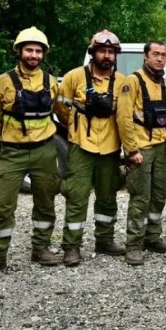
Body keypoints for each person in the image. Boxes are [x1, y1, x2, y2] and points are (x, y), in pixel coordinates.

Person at [0, 27, 61, 277]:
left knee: (46, 202)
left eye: (38, 51)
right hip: (12, 152)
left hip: (45, 149)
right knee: (3, 204)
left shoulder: (51, 82)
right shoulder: (0, 84)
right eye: (29, 49)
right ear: (19, 51)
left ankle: (41, 248)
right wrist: (9, 138)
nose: (33, 55)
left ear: (43, 54)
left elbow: (55, 111)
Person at [55, 30, 125, 266]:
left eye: (111, 52)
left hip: (110, 149)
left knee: (108, 197)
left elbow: (125, 116)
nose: (106, 56)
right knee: (77, 196)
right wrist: (75, 127)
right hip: (81, 146)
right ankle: (71, 247)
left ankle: (105, 240)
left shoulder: (122, 82)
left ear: (115, 56)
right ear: (92, 52)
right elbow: (61, 109)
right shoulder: (74, 77)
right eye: (102, 51)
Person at [117, 40, 166, 265]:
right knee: (140, 197)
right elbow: (123, 118)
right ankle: (133, 245)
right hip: (141, 148)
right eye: (155, 54)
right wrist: (131, 150)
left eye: (163, 54)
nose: (160, 58)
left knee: (160, 194)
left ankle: (153, 237)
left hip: (162, 148)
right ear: (145, 56)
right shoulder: (132, 82)